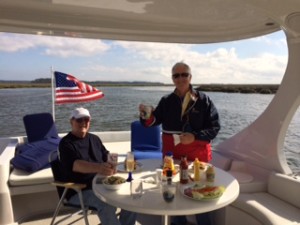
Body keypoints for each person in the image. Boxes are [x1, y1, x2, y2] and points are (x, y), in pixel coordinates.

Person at [139, 61, 221, 225]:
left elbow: (215, 127)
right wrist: (146, 116)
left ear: (190, 77)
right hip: (172, 156)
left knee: (200, 196)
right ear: (172, 79)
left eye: (184, 74)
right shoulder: (166, 101)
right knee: (174, 193)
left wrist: (195, 136)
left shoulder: (204, 100)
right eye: (176, 75)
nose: (180, 78)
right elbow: (154, 121)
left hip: (197, 158)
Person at [58, 107, 137, 225]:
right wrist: (100, 168)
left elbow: (106, 155)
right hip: (79, 189)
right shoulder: (66, 143)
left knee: (130, 196)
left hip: (102, 183)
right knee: (105, 204)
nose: (84, 122)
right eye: (79, 120)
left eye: (86, 119)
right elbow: (76, 165)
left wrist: (113, 163)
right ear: (71, 122)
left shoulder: (94, 139)